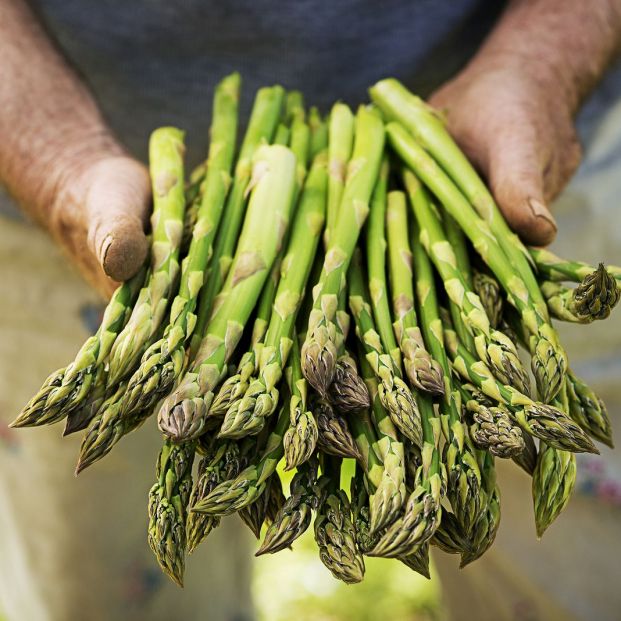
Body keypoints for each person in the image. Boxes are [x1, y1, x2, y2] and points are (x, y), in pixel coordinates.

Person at [0, 0, 620, 619]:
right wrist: (56, 154)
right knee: (101, 595)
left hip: (499, 155)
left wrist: (539, 63)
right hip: (105, 198)